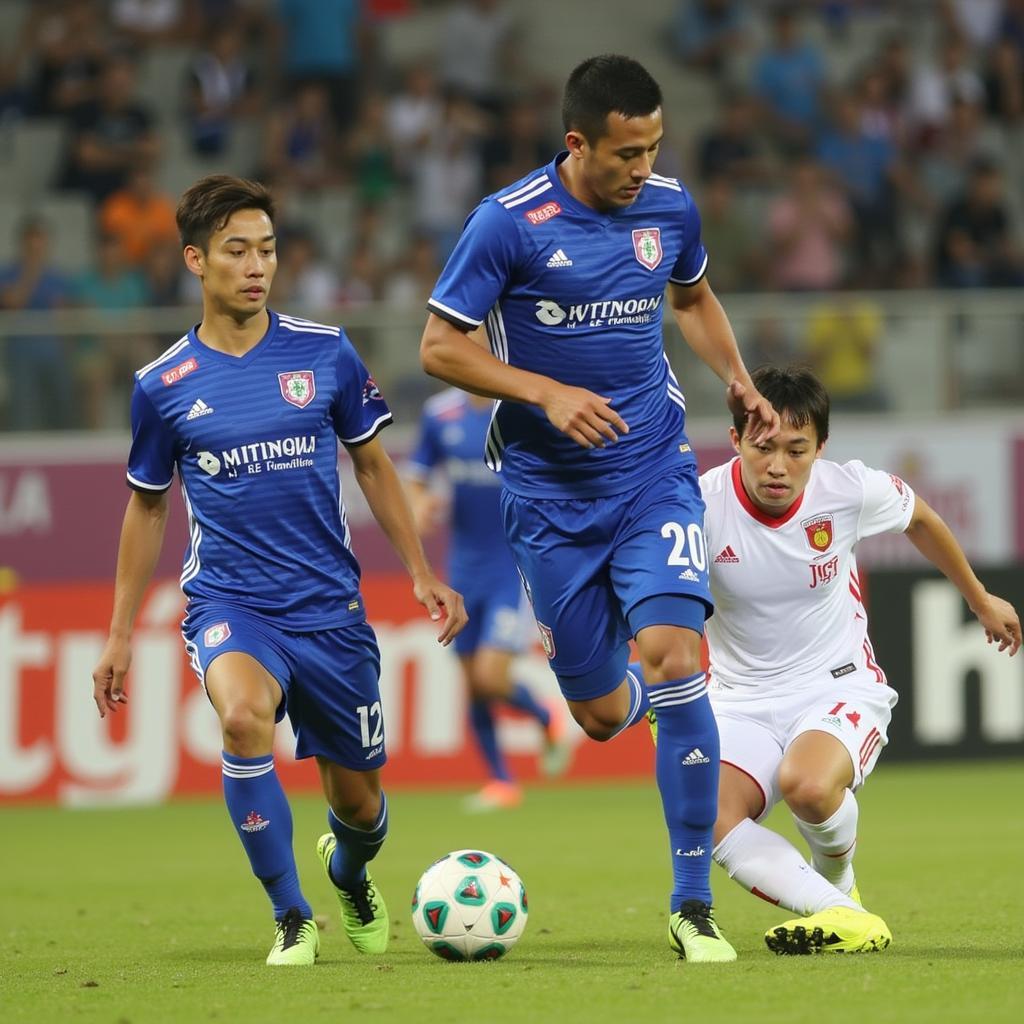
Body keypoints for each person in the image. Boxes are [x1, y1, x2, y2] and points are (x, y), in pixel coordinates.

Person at [419, 54, 778, 963]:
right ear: (577, 143)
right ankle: (644, 707)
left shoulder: (670, 207)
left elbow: (691, 298)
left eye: (654, 149)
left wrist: (735, 380)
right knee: (602, 714)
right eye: (625, 154)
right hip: (547, 495)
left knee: (673, 654)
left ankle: (691, 903)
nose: (642, 170)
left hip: (653, 468)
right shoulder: (506, 224)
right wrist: (543, 393)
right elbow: (439, 347)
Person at [91, 175, 466, 966]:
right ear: (195, 260)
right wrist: (119, 632)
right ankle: (291, 915)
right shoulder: (162, 387)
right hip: (231, 603)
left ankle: (348, 870)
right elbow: (148, 508)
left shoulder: (324, 352)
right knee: (240, 719)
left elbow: (372, 466)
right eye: (236, 251)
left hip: (330, 611)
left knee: (360, 808)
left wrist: (420, 570)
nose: (257, 265)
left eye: (266, 249)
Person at [696, 364, 1020, 953]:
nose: (778, 466)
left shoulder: (848, 489)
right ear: (737, 437)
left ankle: (838, 885)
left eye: (797, 449)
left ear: (821, 447)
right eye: (764, 446)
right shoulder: (699, 505)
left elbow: (920, 517)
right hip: (738, 700)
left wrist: (978, 598)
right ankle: (845, 914)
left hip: (835, 686)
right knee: (705, 815)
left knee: (809, 788)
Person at [406, 387, 571, 811]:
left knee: (490, 677)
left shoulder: (521, 408)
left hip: (509, 568)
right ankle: (501, 780)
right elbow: (417, 478)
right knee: (473, 684)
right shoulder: (439, 413)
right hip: (461, 569)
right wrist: (421, 504)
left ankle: (544, 715)